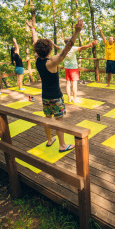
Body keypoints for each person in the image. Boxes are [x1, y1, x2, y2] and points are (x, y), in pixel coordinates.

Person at [32, 19, 84, 152]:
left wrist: (33, 30)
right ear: (49, 50)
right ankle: (62, 145)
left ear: (37, 50)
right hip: (55, 96)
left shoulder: (37, 60)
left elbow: (35, 43)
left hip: (45, 97)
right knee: (59, 121)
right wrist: (77, 31)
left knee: (48, 119)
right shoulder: (52, 62)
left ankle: (50, 140)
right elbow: (67, 48)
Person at [55, 38, 98, 103]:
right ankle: (74, 99)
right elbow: (82, 48)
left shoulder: (63, 48)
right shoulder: (72, 48)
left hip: (67, 68)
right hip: (73, 68)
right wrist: (90, 44)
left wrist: (51, 43)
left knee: (68, 83)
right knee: (74, 83)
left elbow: (56, 47)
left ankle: (69, 99)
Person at [98, 24, 115, 88]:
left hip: (113, 60)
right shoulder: (107, 44)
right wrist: (101, 31)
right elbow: (103, 37)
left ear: (113, 40)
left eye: (111, 38)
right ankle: (108, 83)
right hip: (108, 60)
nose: (109, 39)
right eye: (109, 38)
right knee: (108, 73)